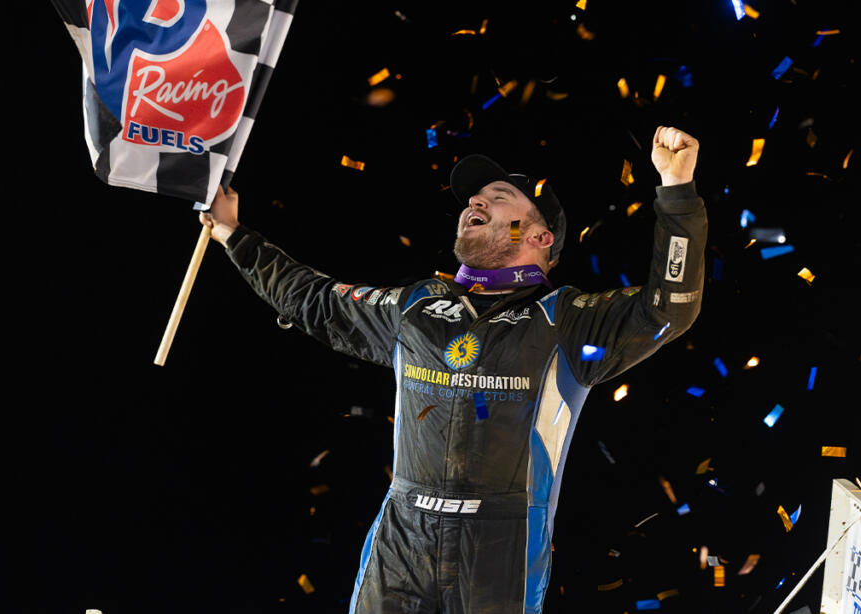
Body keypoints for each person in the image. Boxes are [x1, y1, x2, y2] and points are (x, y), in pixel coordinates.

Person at [201, 125, 707, 614]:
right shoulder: (416, 305)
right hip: (403, 533)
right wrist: (232, 233)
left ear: (539, 234)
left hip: (500, 547)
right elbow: (315, 300)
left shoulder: (568, 320)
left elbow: (669, 308)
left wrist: (677, 191)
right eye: (472, 198)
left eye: (499, 195)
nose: (475, 202)